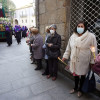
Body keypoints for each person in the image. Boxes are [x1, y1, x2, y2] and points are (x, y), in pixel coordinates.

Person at [62, 21, 97, 97]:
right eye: (78, 26)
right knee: (75, 75)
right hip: (74, 60)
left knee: (82, 76)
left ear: (85, 27)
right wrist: (65, 56)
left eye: (82, 26)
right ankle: (75, 88)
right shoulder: (73, 36)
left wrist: (92, 61)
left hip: (84, 60)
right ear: (76, 27)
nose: (80, 28)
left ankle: (81, 90)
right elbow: (68, 47)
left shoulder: (91, 36)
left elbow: (93, 50)